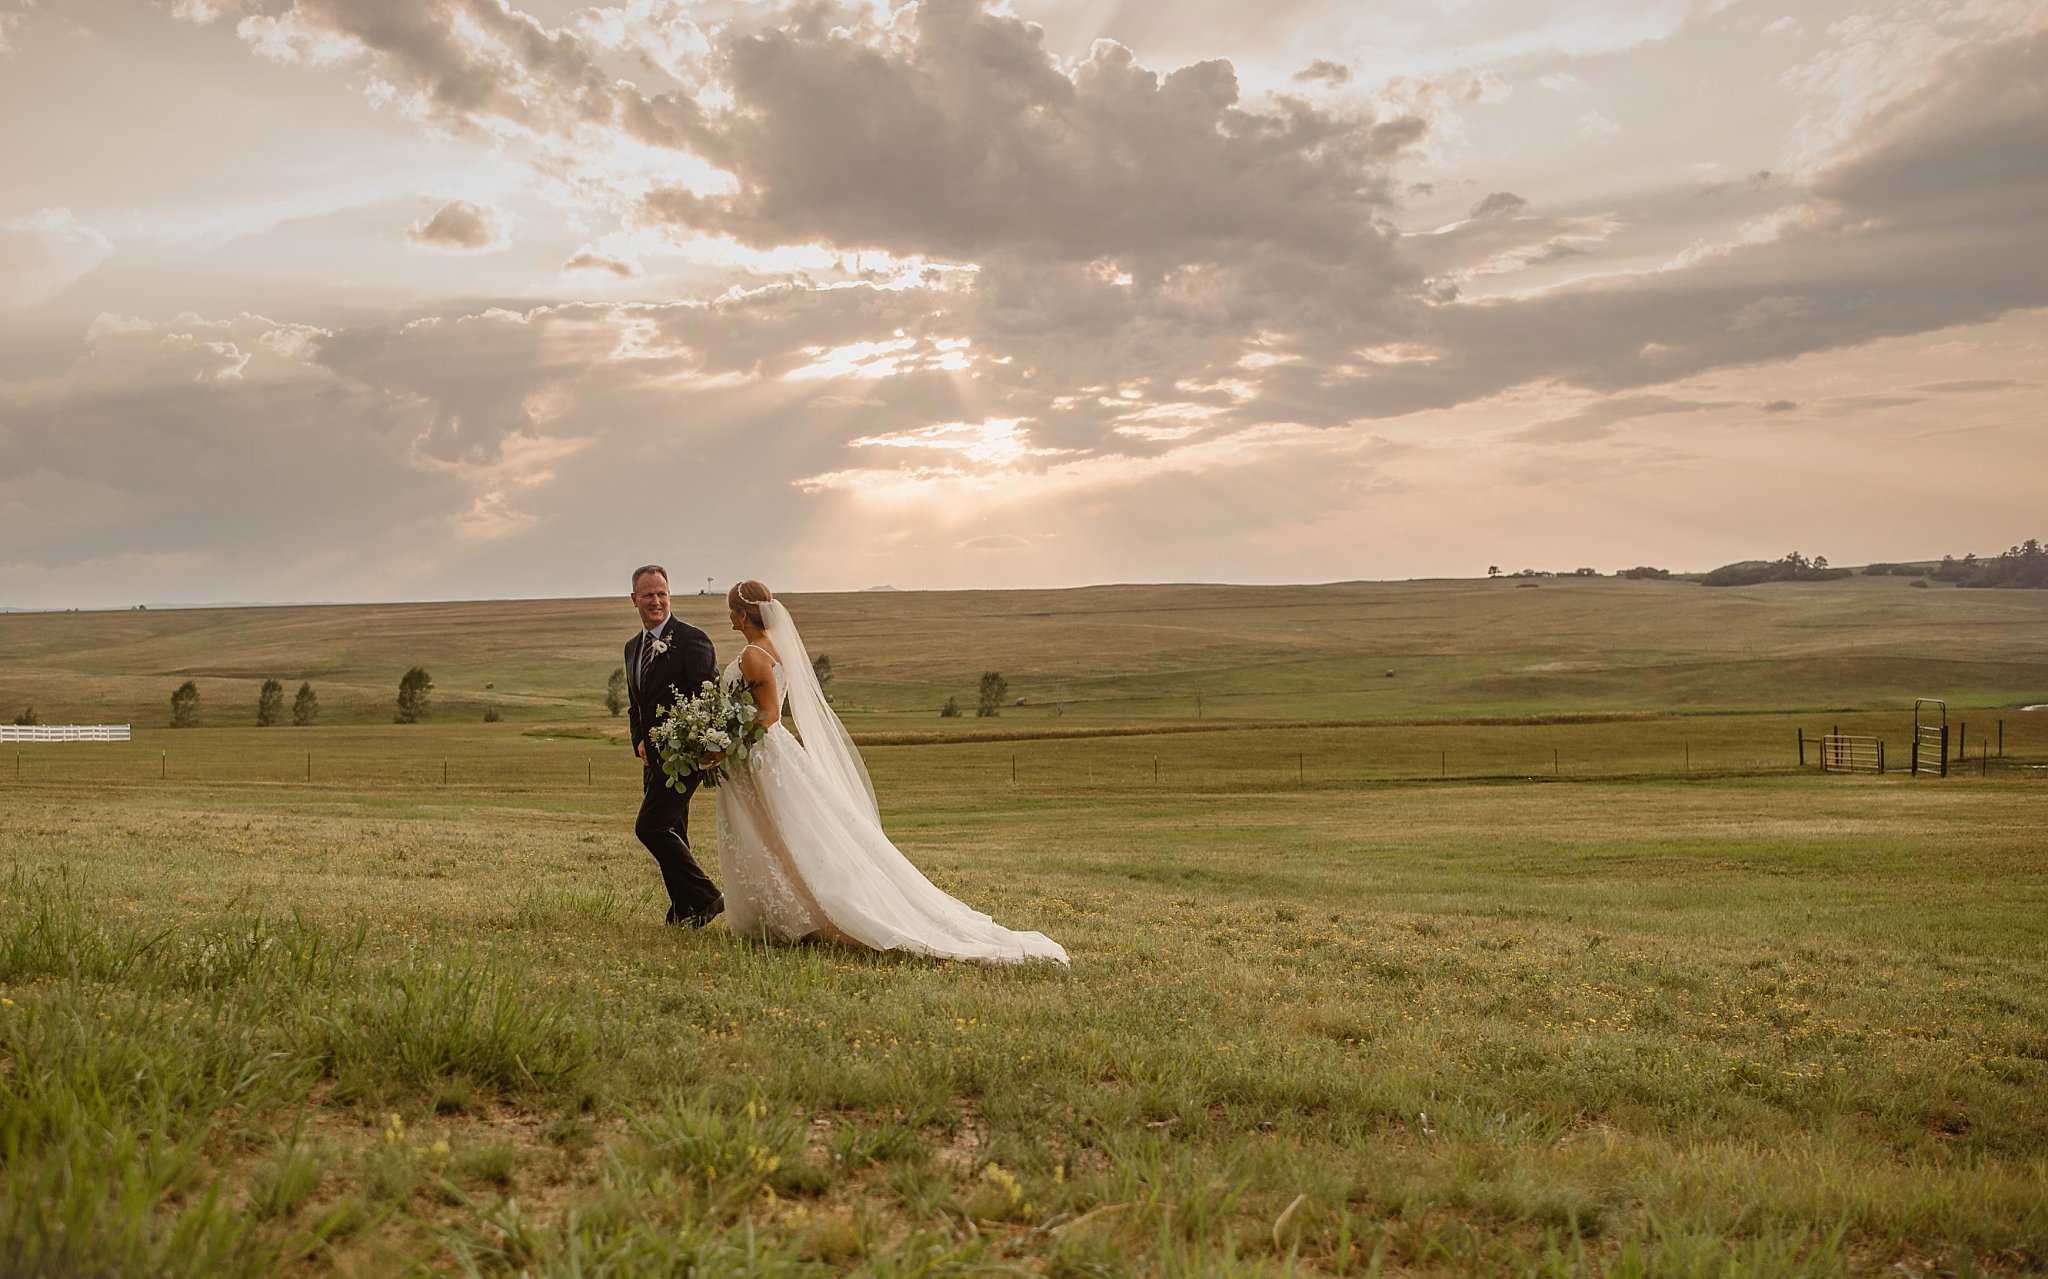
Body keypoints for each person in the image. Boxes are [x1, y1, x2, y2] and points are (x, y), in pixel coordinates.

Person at [714, 580, 1068, 965]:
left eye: (730, 611)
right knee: (788, 832)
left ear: (740, 614)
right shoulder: (776, 647)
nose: (729, 617)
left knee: (783, 832)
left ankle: (807, 912)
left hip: (761, 753)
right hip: (773, 753)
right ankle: (791, 912)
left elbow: (769, 714)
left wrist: (724, 743)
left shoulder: (753, 654)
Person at [623, 564, 724, 925]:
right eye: (648, 595)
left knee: (649, 827)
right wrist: (638, 740)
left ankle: (707, 896)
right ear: (633, 599)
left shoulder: (692, 639)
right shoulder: (632, 648)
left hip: (684, 758)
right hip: (652, 760)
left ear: (670, 595)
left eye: (662, 594)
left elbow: (708, 699)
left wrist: (701, 745)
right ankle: (686, 908)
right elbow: (635, 702)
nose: (656, 601)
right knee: (673, 831)